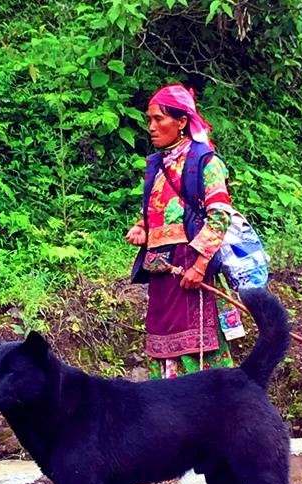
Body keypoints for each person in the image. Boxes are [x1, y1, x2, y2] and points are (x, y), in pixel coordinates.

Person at [126, 83, 253, 379]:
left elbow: (220, 216)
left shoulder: (205, 162)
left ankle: (217, 413)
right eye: (149, 120)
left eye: (159, 119)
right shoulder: (157, 165)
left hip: (190, 268)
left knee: (199, 346)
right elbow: (155, 209)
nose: (152, 127)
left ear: (182, 122)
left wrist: (199, 266)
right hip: (163, 272)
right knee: (162, 345)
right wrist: (141, 227)